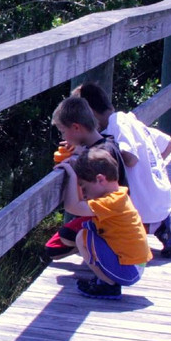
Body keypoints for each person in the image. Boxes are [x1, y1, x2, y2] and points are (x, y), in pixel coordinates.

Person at [74, 82, 171, 257]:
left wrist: (91, 150)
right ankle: (164, 225)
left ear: (90, 113)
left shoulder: (118, 122)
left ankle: (163, 225)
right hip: (161, 199)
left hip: (147, 206)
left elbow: (130, 158)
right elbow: (170, 144)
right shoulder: (132, 121)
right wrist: (148, 172)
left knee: (109, 225)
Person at [55, 146, 151, 299]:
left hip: (129, 270)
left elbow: (73, 207)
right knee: (87, 232)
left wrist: (72, 177)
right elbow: (78, 204)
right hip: (133, 266)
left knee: (85, 237)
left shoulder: (111, 202)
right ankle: (105, 280)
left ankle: (109, 286)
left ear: (100, 179)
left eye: (84, 187)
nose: (84, 194)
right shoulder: (118, 194)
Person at [43, 95, 126, 260]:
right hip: (111, 212)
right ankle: (93, 244)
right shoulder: (108, 144)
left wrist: (73, 171)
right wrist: (81, 150)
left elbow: (76, 203)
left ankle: (101, 247)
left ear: (75, 127)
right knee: (53, 248)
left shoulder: (96, 158)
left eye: (63, 131)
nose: (63, 138)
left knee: (64, 238)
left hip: (108, 218)